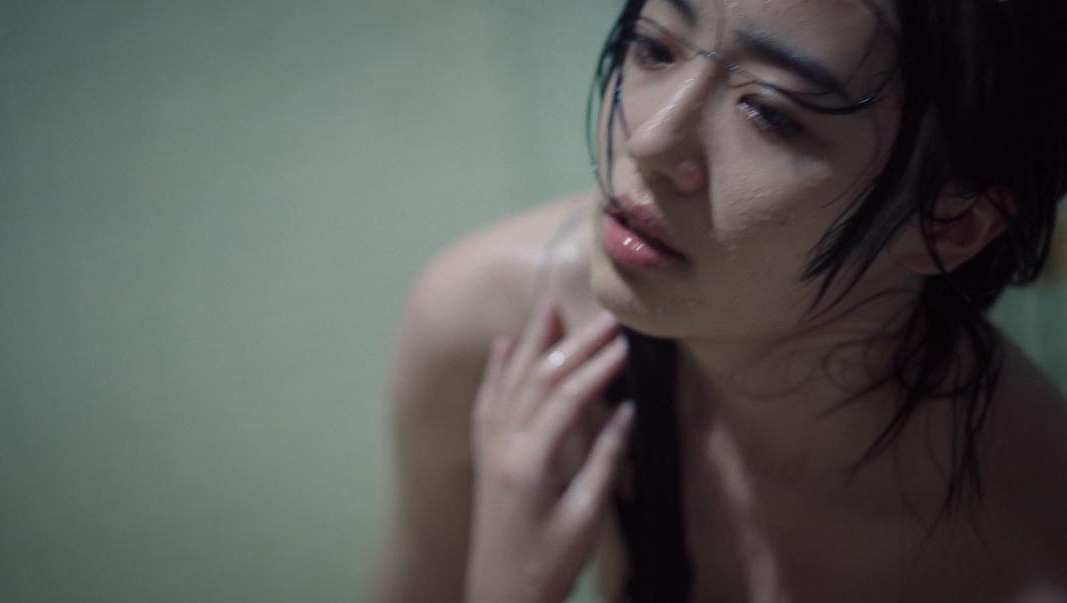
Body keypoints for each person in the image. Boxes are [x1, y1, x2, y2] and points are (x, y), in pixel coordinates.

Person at [369, 0, 1067, 601]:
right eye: (653, 48)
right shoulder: (498, 336)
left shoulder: (1032, 545)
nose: (651, 140)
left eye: (770, 112)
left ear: (951, 224)